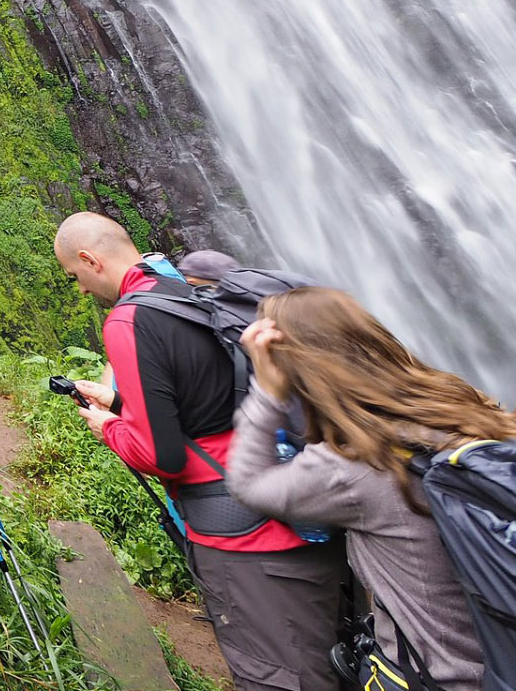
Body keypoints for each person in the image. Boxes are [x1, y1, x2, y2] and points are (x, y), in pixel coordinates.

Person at [53, 212, 347, 691]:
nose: (81, 289)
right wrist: (123, 402)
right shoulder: (187, 290)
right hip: (306, 505)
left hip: (245, 538)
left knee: (275, 676)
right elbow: (209, 401)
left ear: (89, 260)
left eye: (75, 277)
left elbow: (159, 455)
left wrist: (109, 426)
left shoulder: (129, 318)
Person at [229, 287, 505, 691]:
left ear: (297, 372)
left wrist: (268, 391)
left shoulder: (351, 466)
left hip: (441, 676)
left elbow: (249, 483)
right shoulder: (461, 405)